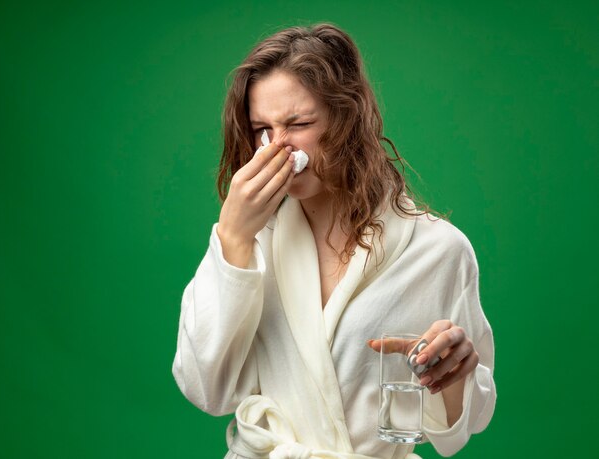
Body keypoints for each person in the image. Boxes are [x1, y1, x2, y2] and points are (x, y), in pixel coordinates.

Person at [172, 23, 495, 459]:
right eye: (260, 128)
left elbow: (462, 429)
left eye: (299, 123)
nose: (276, 147)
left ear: (348, 117)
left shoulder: (439, 250)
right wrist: (232, 238)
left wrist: (455, 374)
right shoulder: (251, 241)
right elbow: (204, 389)